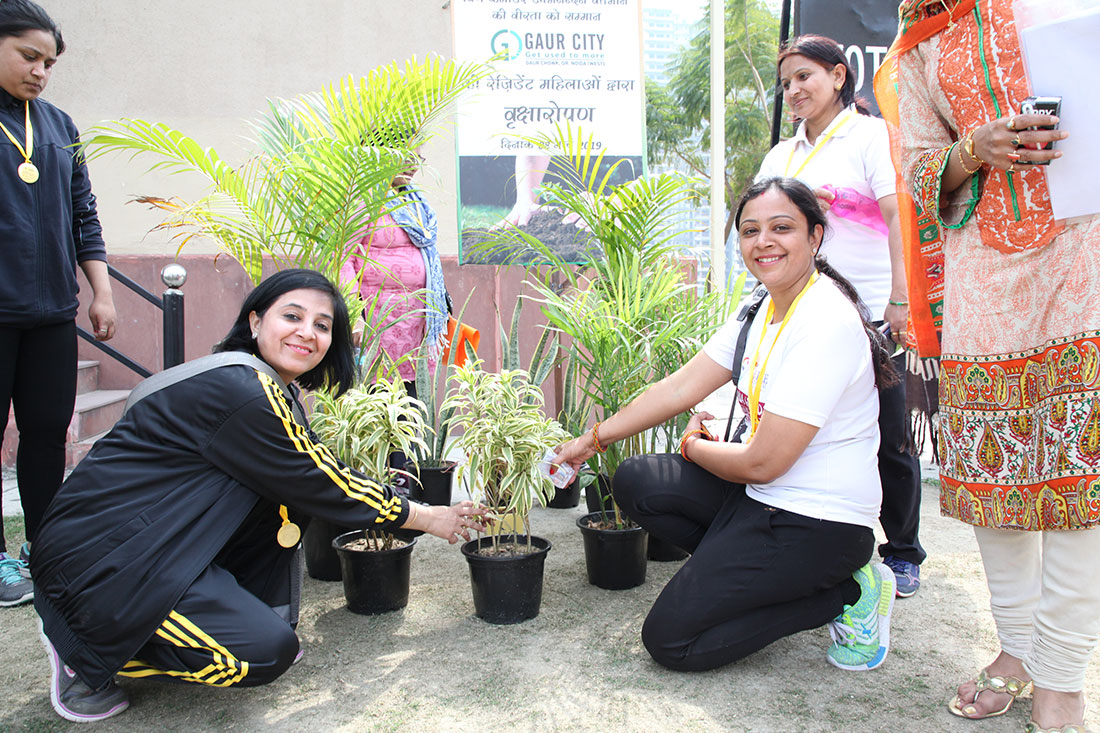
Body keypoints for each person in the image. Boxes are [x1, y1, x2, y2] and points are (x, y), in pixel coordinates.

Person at [30, 269, 486, 723]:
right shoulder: (242, 391)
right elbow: (322, 481)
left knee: (280, 508)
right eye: (292, 316)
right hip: (102, 563)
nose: (307, 332)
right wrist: (425, 516)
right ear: (254, 322)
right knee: (265, 654)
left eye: (323, 325)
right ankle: (83, 648)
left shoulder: (262, 386)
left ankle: (227, 617)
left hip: (154, 544)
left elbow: (304, 478)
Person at [554, 177, 899, 673]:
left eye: (782, 228)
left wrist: (692, 446)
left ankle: (848, 591)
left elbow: (763, 462)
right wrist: (591, 440)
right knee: (636, 479)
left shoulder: (825, 322)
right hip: (760, 501)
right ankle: (744, 574)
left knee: (670, 641)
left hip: (817, 522)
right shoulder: (760, 307)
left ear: (815, 237)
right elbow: (678, 388)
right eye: (750, 230)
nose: (764, 242)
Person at [875, 1, 1096, 730]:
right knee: (996, 469)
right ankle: (1017, 646)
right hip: (985, 273)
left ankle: (1061, 674)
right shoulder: (919, 35)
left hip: (1086, 249)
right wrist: (973, 148)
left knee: (1081, 466)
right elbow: (916, 173)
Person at [755, 34, 925, 598]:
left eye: (804, 76)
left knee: (890, 435)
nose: (795, 90)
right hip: (799, 315)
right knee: (798, 425)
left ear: (837, 75)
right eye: (787, 83)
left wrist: (900, 299)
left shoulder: (870, 135)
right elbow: (759, 231)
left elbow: (900, 217)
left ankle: (902, 553)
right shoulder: (782, 156)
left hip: (869, 311)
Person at [0, 0, 117, 608]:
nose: (40, 71)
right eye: (28, 56)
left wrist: (100, 289)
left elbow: (84, 215)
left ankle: (43, 545)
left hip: (50, 313)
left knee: (47, 433)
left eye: (48, 62)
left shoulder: (59, 125)